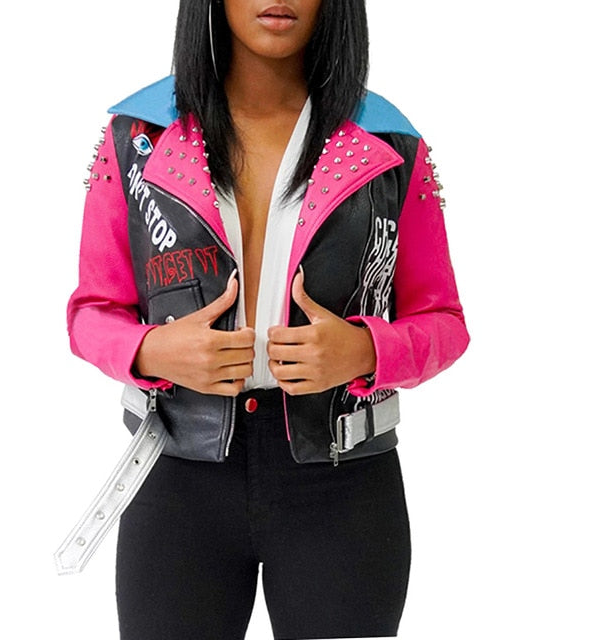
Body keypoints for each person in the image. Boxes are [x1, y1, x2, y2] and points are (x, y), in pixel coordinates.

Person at [66, 0, 470, 637]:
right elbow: (91, 310)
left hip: (343, 482)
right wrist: (152, 351)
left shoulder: (392, 144)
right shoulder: (137, 135)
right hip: (177, 475)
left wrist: (365, 351)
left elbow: (443, 320)